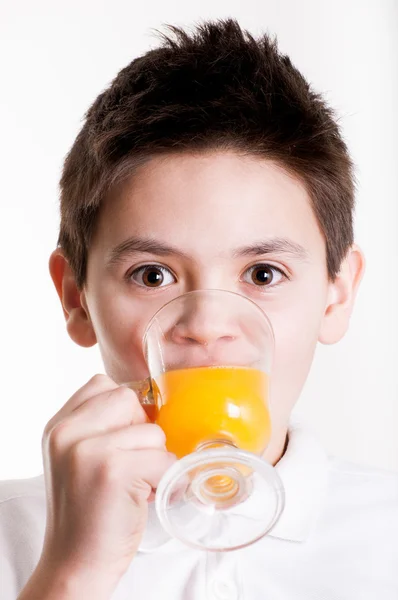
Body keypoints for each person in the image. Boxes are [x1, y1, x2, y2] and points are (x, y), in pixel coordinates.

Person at [1, 18, 397, 600]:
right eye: (152, 275)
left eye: (264, 274)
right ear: (76, 299)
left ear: (337, 294)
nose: (207, 326)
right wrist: (69, 575)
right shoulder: (16, 539)